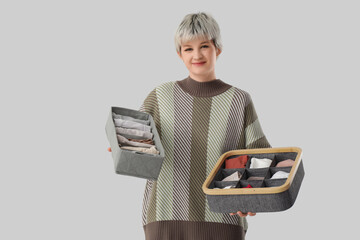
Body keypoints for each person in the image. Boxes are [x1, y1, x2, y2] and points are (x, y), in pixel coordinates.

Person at [109, 12, 271, 240]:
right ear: (179, 54)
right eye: (188, 48)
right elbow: (137, 141)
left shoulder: (239, 100)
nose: (197, 54)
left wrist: (252, 197)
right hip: (165, 219)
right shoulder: (160, 97)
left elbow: (260, 157)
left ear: (218, 49)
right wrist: (121, 148)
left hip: (224, 221)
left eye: (204, 46)